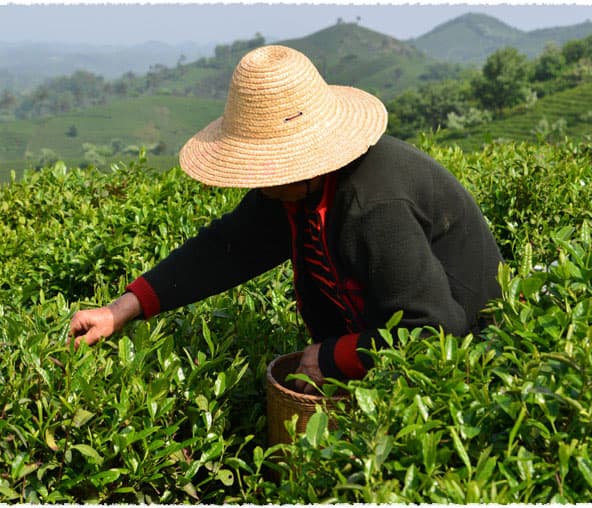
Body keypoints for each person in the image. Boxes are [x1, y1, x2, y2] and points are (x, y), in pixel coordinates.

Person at [69, 45, 503, 393]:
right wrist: (120, 310)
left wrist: (337, 357)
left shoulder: (375, 207)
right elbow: (228, 248)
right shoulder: (297, 190)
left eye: (264, 167)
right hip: (398, 345)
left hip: (468, 357)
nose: (255, 182)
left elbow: (434, 331)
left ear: (306, 164)